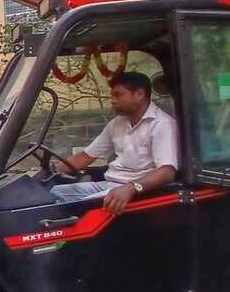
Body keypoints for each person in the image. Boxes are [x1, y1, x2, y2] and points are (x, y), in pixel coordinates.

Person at [50, 71, 179, 214]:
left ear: (139, 94)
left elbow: (167, 172)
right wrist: (50, 171)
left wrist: (131, 188)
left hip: (137, 192)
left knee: (70, 207)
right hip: (110, 184)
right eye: (112, 95)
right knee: (52, 193)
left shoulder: (162, 124)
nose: (113, 100)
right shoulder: (117, 123)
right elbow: (86, 156)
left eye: (118, 95)